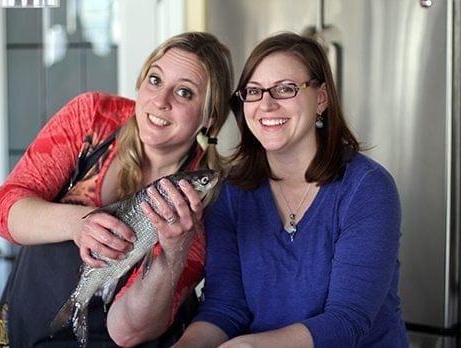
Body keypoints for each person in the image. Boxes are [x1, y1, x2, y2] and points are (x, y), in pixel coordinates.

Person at [0, 31, 233, 347]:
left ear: (209, 118)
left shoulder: (206, 202)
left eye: (184, 92)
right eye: (155, 80)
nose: (160, 101)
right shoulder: (92, 118)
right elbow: (3, 211)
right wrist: (79, 224)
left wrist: (174, 254)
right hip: (25, 326)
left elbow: (128, 331)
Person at [174, 32, 409, 347]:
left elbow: (347, 321)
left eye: (285, 89)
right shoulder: (231, 191)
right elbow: (225, 308)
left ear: (321, 99)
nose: (267, 105)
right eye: (254, 92)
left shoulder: (366, 188)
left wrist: (249, 345)